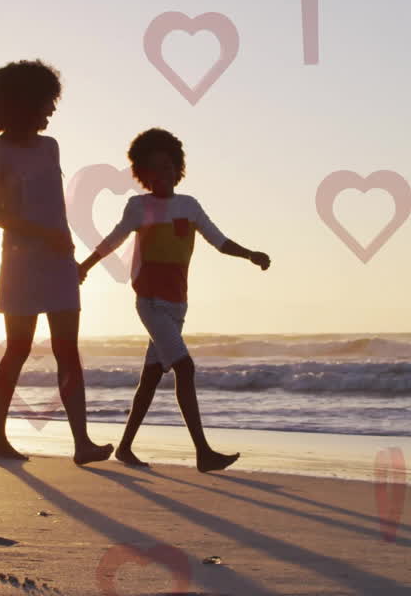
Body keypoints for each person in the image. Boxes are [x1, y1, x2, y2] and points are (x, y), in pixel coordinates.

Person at [78, 128, 270, 472]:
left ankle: (124, 447)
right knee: (185, 367)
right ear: (142, 174)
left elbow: (220, 242)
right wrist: (85, 266)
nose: (161, 175)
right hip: (149, 301)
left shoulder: (189, 206)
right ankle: (203, 452)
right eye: (153, 170)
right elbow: (112, 240)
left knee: (151, 377)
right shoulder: (139, 207)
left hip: (177, 304)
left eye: (167, 167)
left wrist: (251, 254)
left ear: (177, 169)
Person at [0, 59, 113, 466]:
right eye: (44, 103)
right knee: (18, 347)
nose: (50, 111)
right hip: (21, 259)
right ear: (21, 103)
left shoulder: (49, 146)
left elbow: (53, 204)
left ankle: (81, 442)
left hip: (58, 259)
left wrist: (62, 243)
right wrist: (43, 234)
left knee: (67, 350)